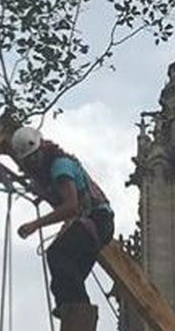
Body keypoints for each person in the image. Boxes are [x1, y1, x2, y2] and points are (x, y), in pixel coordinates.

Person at [8, 126, 115, 316]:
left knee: (58, 256)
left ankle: (79, 316)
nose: (32, 164)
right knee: (66, 282)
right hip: (96, 222)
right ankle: (73, 325)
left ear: (41, 150)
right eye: (28, 161)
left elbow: (70, 206)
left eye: (34, 158)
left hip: (97, 219)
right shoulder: (49, 172)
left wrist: (35, 225)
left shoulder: (60, 166)